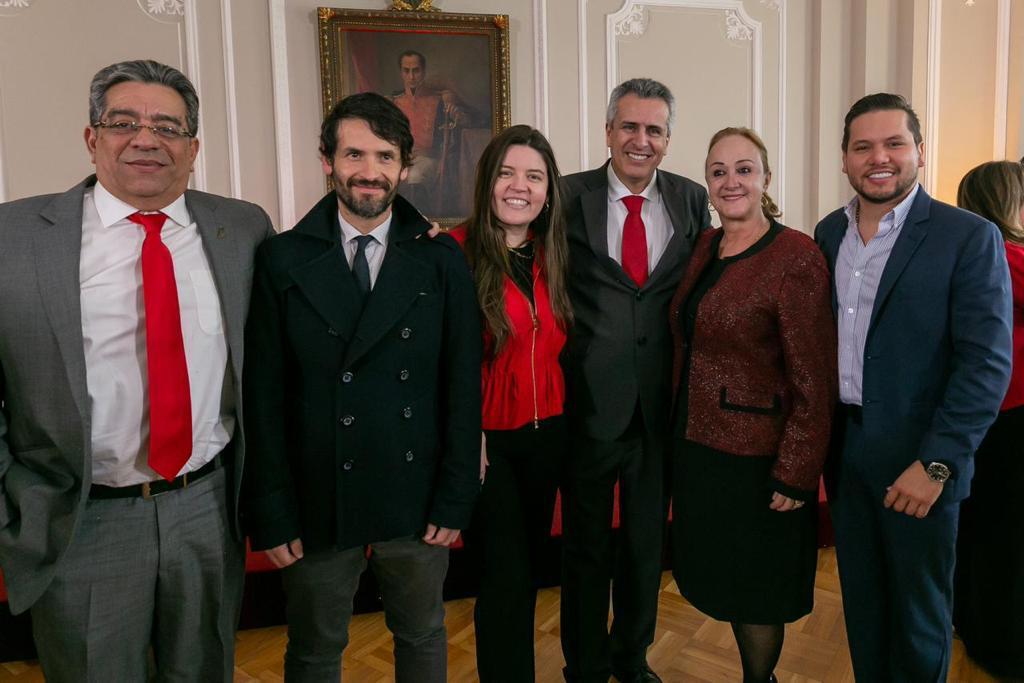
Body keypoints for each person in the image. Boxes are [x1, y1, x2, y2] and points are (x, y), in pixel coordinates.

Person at [0, 59, 274, 681]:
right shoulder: (11, 238)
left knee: (205, 668)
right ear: (92, 138)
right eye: (123, 122)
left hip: (207, 507)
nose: (146, 138)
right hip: (79, 519)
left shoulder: (243, 229)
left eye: (168, 127)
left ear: (194, 148)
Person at [242, 91, 481, 683]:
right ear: (327, 159)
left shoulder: (442, 260)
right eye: (354, 154)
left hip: (416, 496)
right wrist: (271, 510)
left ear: (404, 165)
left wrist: (455, 497)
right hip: (318, 498)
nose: (369, 171)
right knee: (316, 648)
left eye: (384, 155)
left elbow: (461, 386)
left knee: (422, 634)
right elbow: (264, 395)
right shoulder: (281, 259)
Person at [815, 93, 1013, 682]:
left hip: (920, 460)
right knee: (865, 607)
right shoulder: (828, 234)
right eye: (863, 146)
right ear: (845, 159)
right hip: (846, 455)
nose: (879, 157)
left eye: (894, 143)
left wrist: (937, 464)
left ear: (919, 152)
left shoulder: (968, 236)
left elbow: (986, 364)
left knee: (921, 615)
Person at [668, 127, 836, 683]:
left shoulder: (796, 256)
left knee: (759, 592)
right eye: (718, 171)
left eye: (744, 168)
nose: (730, 180)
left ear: (765, 177)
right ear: (708, 184)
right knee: (723, 580)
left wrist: (796, 474)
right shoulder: (704, 246)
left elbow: (814, 377)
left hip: (761, 463)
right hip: (702, 454)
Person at [559, 77, 711, 683]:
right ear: (608, 132)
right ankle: (585, 664)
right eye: (629, 127)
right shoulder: (566, 195)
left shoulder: (693, 199)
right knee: (587, 547)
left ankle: (632, 656)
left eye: (653, 130)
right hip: (589, 404)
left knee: (647, 546)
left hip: (661, 406)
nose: (640, 140)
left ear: (668, 139)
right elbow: (504, 241)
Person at [449, 124, 572, 682]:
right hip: (487, 444)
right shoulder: (452, 253)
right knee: (503, 576)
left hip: (548, 439)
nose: (519, 186)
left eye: (534, 176)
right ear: (488, 183)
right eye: (507, 173)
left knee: (529, 573)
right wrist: (465, 436)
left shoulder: (556, 254)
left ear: (548, 191)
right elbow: (442, 364)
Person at [953, 160, 1024, 680]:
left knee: (980, 527)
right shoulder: (1004, 253)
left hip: (990, 412)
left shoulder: (976, 251)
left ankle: (972, 621)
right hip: (1009, 415)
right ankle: (999, 643)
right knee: (1004, 535)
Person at [392, 49, 471, 215]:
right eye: (407, 71)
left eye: (416, 70)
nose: (411, 76)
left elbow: (464, 123)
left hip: (431, 161)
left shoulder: (441, 100)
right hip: (399, 161)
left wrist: (458, 116)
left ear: (424, 71)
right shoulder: (393, 101)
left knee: (414, 176)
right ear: (401, 73)